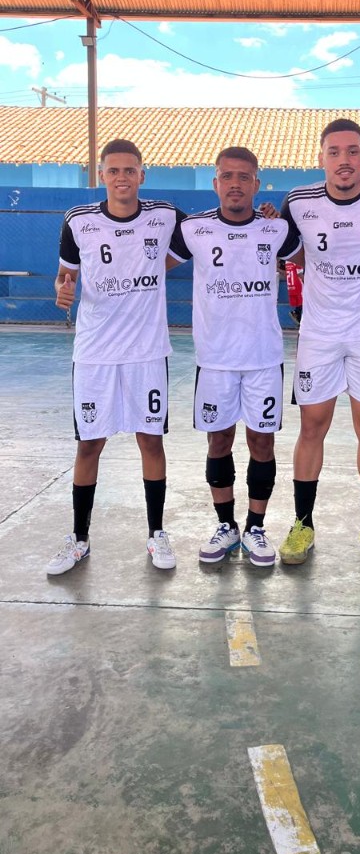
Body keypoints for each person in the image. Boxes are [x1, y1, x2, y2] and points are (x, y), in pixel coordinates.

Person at [46, 139, 186, 575]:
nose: (122, 178)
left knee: (151, 439)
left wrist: (144, 273)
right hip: (94, 353)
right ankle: (79, 538)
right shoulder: (78, 222)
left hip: (146, 352)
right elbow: (65, 276)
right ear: (101, 175)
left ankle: (157, 533)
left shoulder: (166, 216)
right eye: (114, 171)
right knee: (90, 443)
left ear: (142, 175)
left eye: (130, 170)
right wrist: (61, 290)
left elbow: (200, 238)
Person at [278, 118, 360, 566]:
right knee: (312, 426)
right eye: (334, 152)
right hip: (318, 333)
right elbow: (287, 253)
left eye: (352, 151)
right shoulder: (298, 202)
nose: (344, 160)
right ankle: (302, 524)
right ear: (321, 158)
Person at [170, 147, 301, 567]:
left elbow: (307, 263)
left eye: (244, 177)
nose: (235, 184)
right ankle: (226, 525)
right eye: (227, 176)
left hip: (263, 357)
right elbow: (150, 265)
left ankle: (256, 528)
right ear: (216, 183)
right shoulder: (193, 230)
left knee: (262, 441)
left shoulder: (276, 230)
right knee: (219, 439)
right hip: (215, 359)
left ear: (256, 185)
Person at [285, 259, 304, 327]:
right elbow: (300, 274)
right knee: (305, 302)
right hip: (298, 285)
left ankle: (297, 314)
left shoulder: (287, 261)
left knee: (300, 304)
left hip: (291, 286)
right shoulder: (297, 260)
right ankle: (296, 313)